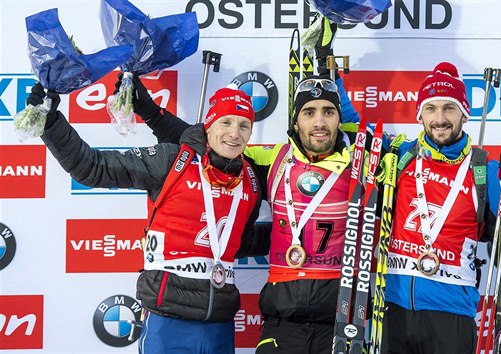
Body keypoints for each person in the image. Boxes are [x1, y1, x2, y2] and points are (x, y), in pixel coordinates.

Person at [125, 18, 363, 354]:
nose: (320, 121)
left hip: (338, 314)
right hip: (285, 312)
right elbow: (216, 145)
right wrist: (149, 111)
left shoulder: (361, 160)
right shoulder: (274, 161)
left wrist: (328, 65)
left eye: (328, 113)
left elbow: (357, 128)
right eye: (309, 112)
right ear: (296, 121)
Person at [30, 82, 270, 354]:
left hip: (220, 323)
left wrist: (296, 238)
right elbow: (92, 167)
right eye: (225, 122)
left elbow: (240, 242)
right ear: (209, 125)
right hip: (168, 320)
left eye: (244, 125)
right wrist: (50, 122)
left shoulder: (249, 180)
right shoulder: (172, 161)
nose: (234, 133)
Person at [381, 62, 501, 354]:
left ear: (464, 114)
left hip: (451, 317)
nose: (440, 118)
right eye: (431, 108)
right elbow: (344, 125)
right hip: (392, 311)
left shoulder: (485, 172)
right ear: (420, 115)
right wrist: (322, 61)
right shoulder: (399, 156)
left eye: (449, 108)